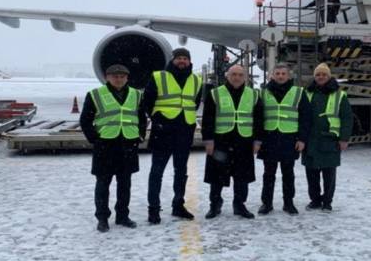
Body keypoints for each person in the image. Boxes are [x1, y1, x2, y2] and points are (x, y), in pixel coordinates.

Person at [80, 64, 147, 232]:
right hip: (105, 144)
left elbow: (141, 117)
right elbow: (85, 120)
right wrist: (94, 139)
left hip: (128, 143)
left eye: (122, 76)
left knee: (125, 184)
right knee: (103, 183)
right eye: (115, 76)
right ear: (107, 77)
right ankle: (102, 218)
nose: (119, 79)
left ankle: (122, 216)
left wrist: (140, 135)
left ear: (127, 78)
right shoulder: (95, 95)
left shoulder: (136, 95)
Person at [141, 48, 203, 224]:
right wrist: (159, 119)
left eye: (185, 58)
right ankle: (153, 209)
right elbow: (147, 101)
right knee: (157, 172)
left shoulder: (196, 79)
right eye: (179, 58)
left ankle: (178, 205)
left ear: (189, 61)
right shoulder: (159, 76)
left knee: (181, 171)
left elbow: (195, 103)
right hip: (163, 130)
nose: (182, 61)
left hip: (185, 130)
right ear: (173, 60)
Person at [201, 65, 263, 219]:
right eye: (233, 74)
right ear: (227, 76)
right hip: (221, 141)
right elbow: (207, 119)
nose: (236, 78)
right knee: (217, 176)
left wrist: (257, 141)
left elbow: (259, 120)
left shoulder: (254, 94)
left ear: (245, 77)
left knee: (242, 176)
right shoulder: (215, 93)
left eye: (240, 75)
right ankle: (215, 205)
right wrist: (208, 140)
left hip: (244, 141)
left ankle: (239, 205)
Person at [256, 63, 311, 216]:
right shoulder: (263, 93)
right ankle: (266, 203)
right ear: (272, 75)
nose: (280, 76)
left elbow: (306, 118)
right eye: (277, 73)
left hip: (289, 138)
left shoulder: (299, 92)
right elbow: (259, 118)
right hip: (269, 138)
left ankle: (289, 203)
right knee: (268, 174)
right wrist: (258, 140)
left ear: (289, 76)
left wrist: (302, 139)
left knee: (288, 174)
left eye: (283, 74)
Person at [302, 63, 353, 212]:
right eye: (318, 74)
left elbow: (347, 118)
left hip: (330, 139)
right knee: (311, 172)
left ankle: (327, 202)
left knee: (329, 173)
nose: (321, 77)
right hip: (311, 139)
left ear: (329, 76)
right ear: (314, 76)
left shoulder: (339, 94)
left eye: (324, 74)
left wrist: (344, 138)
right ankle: (315, 200)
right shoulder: (307, 93)